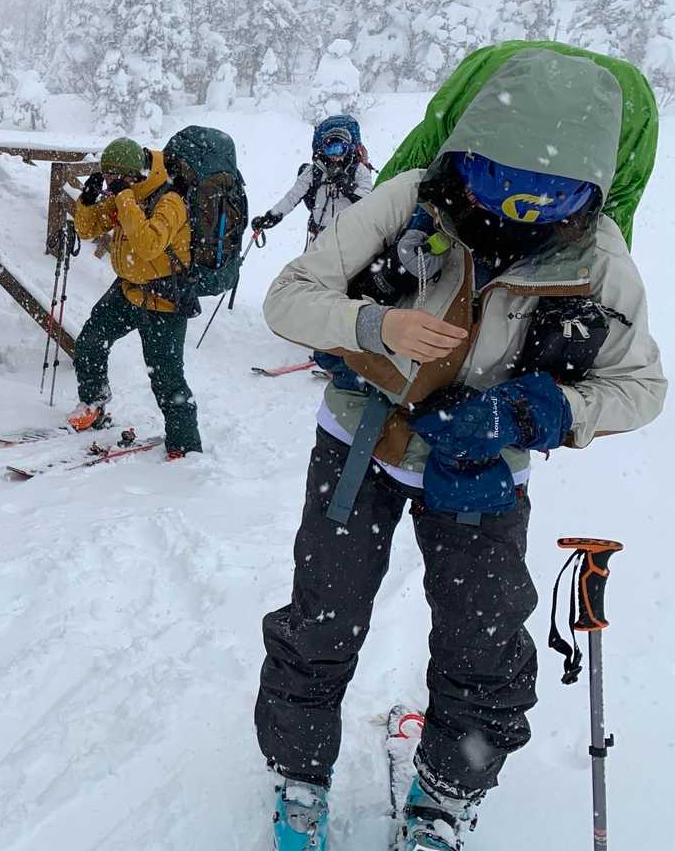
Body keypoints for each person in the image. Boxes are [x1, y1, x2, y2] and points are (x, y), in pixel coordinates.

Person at [254, 49, 665, 850]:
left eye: (545, 194)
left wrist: (536, 411)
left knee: (484, 643)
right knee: (322, 622)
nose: (514, 208)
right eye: (494, 180)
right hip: (360, 447)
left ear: (583, 189)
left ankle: (445, 796)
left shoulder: (597, 255)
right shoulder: (408, 200)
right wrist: (376, 325)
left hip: (482, 476)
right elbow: (289, 298)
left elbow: (641, 386)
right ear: (465, 154)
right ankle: (300, 775)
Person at [67, 136, 201, 458]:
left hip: (165, 299)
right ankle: (94, 403)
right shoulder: (128, 193)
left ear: (132, 173)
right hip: (129, 289)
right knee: (90, 342)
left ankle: (185, 445)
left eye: (113, 177)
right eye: (106, 177)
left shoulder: (170, 200)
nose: (109, 184)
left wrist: (124, 197)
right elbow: (87, 229)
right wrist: (87, 200)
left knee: (166, 378)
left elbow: (148, 245)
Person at [252, 114, 373, 249]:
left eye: (339, 149)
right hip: (319, 236)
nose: (334, 155)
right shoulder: (314, 171)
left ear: (348, 148)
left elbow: (369, 202)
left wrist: (346, 185)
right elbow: (292, 197)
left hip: (350, 237)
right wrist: (269, 218)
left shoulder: (359, 171)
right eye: (329, 149)